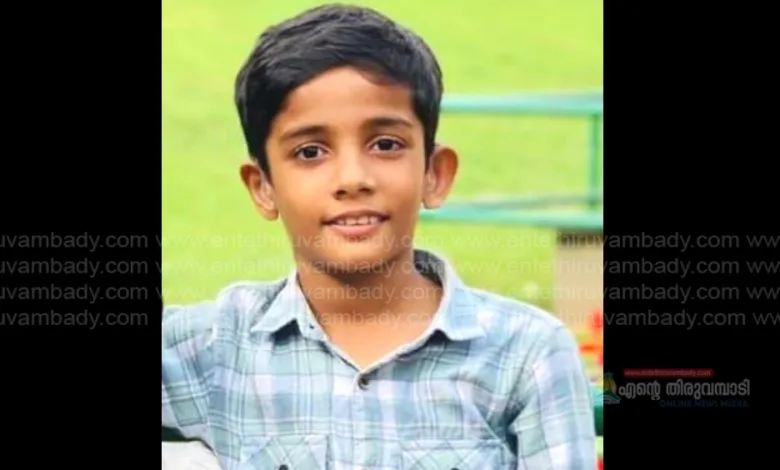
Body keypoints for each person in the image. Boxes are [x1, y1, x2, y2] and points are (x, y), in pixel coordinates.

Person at [162, 3, 596, 469]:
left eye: (386, 144)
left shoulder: (526, 353)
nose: (353, 178)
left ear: (435, 173)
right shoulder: (216, 348)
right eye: (310, 152)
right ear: (263, 187)